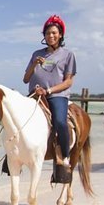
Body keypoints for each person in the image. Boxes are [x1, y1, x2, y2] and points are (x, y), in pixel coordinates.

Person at [22, 15, 76, 172]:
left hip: (56, 95)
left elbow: (68, 82)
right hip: (35, 95)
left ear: (60, 35)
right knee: (15, 120)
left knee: (60, 122)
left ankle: (64, 156)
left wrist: (49, 90)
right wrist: (34, 64)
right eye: (47, 33)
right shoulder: (36, 53)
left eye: (54, 33)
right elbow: (26, 79)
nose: (50, 36)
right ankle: (11, 158)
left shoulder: (68, 55)